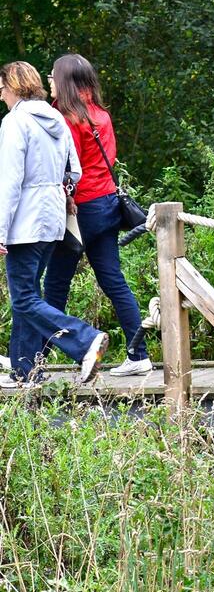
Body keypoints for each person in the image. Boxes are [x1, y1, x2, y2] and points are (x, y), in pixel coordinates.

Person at [0, 61, 107, 387]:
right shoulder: (56, 118)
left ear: (14, 86)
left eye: (2, 86)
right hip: (51, 220)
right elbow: (74, 170)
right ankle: (25, 372)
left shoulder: (15, 122)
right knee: (29, 295)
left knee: (24, 299)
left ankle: (84, 338)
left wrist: (0, 231)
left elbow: (10, 181)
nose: (0, 93)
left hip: (24, 222)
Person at [45, 54, 147, 377]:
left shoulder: (67, 118)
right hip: (106, 204)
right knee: (113, 280)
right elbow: (109, 159)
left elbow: (67, 168)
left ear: (64, 81)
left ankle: (35, 359)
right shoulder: (101, 115)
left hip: (80, 209)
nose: (49, 80)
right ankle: (138, 353)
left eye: (52, 75)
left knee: (55, 285)